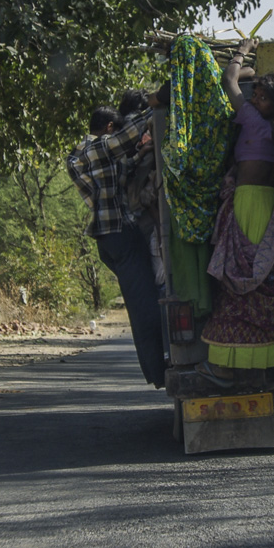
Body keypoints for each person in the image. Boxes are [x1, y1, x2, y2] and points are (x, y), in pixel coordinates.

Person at [197, 39, 274, 391]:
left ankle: (228, 368)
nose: (253, 99)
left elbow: (229, 80)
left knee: (239, 282)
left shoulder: (250, 119)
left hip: (248, 206)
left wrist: (243, 54)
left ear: (271, 104)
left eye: (260, 96)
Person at [67, 102, 166, 388]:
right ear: (109, 128)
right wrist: (157, 106)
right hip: (119, 233)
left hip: (109, 238)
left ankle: (156, 368)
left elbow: (118, 171)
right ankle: (158, 372)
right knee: (145, 308)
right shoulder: (97, 148)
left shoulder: (81, 157)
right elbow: (129, 134)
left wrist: (142, 154)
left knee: (142, 303)